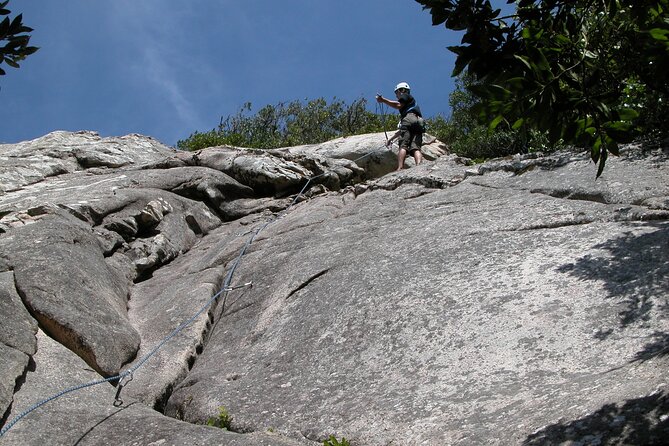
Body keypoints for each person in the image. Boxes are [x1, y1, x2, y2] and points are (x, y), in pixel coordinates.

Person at [376, 82, 424, 170]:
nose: (396, 96)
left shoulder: (405, 96)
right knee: (415, 147)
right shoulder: (412, 104)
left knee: (403, 145)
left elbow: (398, 105)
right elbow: (402, 130)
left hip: (409, 118)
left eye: (396, 93)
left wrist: (383, 100)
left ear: (401, 90)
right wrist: (390, 139)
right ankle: (419, 166)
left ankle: (400, 167)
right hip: (418, 122)